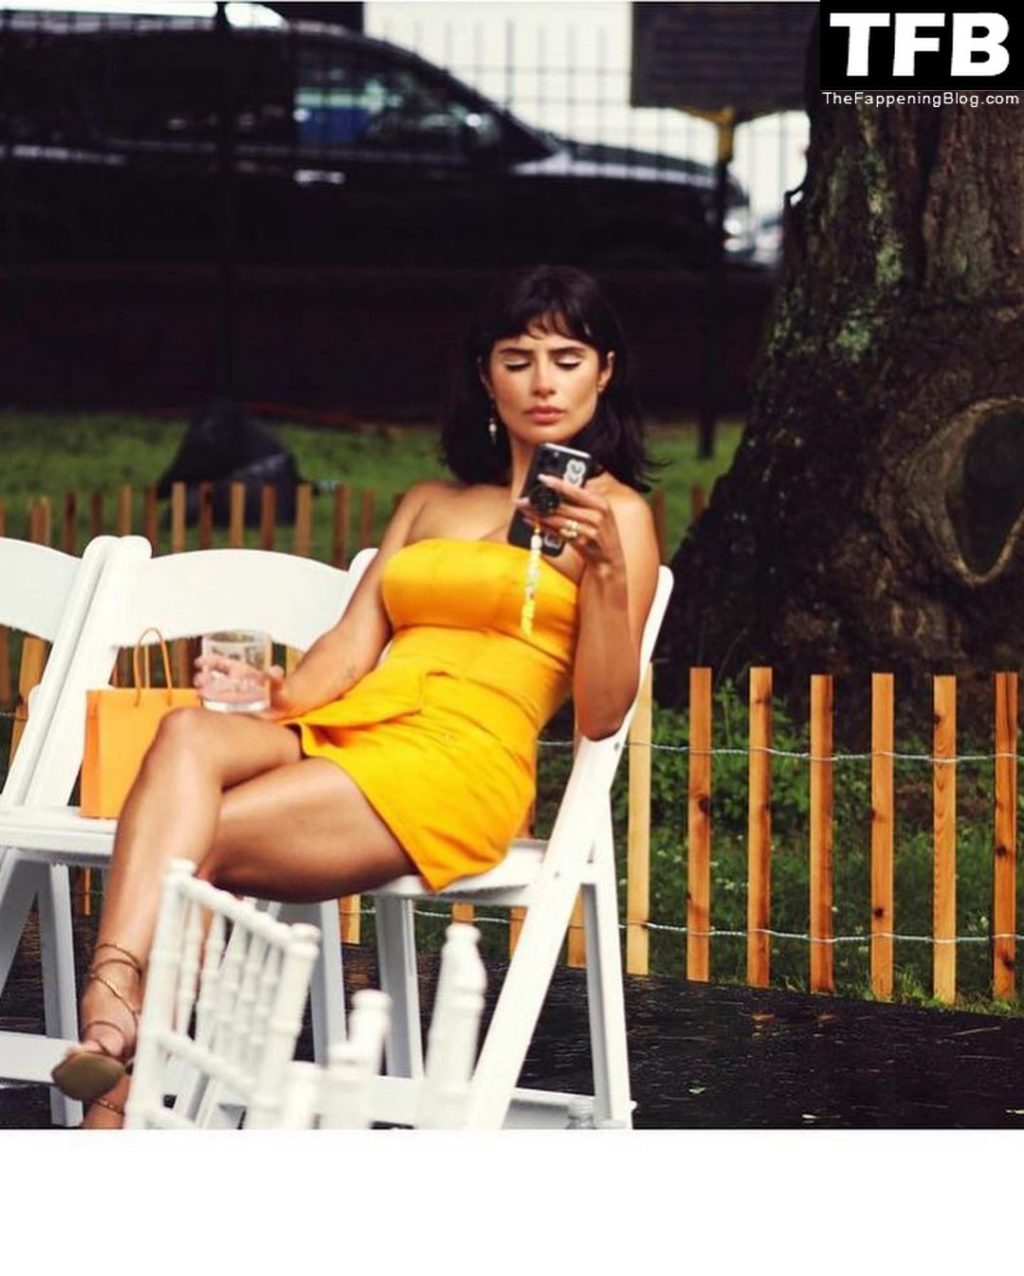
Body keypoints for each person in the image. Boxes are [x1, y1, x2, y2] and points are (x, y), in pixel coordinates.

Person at [51, 264, 662, 1127]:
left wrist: (604, 572)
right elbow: (348, 648)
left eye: (567, 359)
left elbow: (602, 713)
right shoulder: (431, 502)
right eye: (518, 358)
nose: (543, 381)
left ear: (604, 373)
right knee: (187, 733)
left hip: (460, 759)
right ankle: (117, 1017)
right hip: (361, 723)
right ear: (485, 375)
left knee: (193, 843)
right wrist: (276, 689)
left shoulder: (618, 518)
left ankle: (115, 1072)